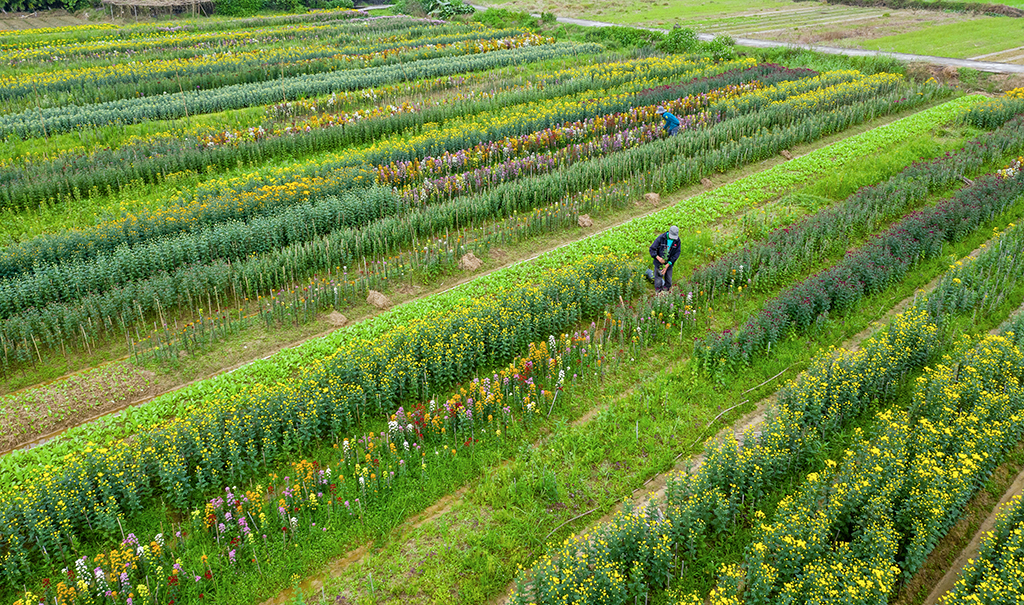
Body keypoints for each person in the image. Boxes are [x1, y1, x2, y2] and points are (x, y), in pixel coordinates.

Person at [649, 225, 681, 293]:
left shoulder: (677, 241)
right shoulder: (661, 238)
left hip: (669, 263)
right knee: (658, 280)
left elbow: (677, 254)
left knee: (668, 280)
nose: (672, 238)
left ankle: (665, 292)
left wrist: (668, 264)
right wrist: (658, 258)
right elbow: (652, 249)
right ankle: (658, 293)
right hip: (659, 263)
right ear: (669, 231)